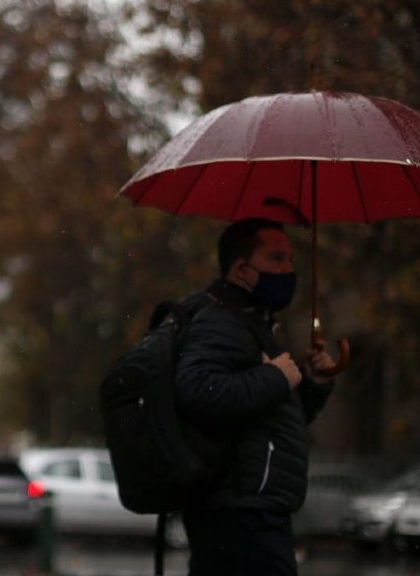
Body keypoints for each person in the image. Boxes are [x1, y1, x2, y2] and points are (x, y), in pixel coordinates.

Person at [175, 218, 337, 576]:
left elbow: (272, 421)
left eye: (291, 259)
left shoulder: (253, 324)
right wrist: (275, 377)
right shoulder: (221, 321)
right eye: (276, 259)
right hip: (239, 516)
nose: (288, 269)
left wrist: (313, 383)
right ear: (241, 270)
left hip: (253, 511)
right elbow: (198, 392)